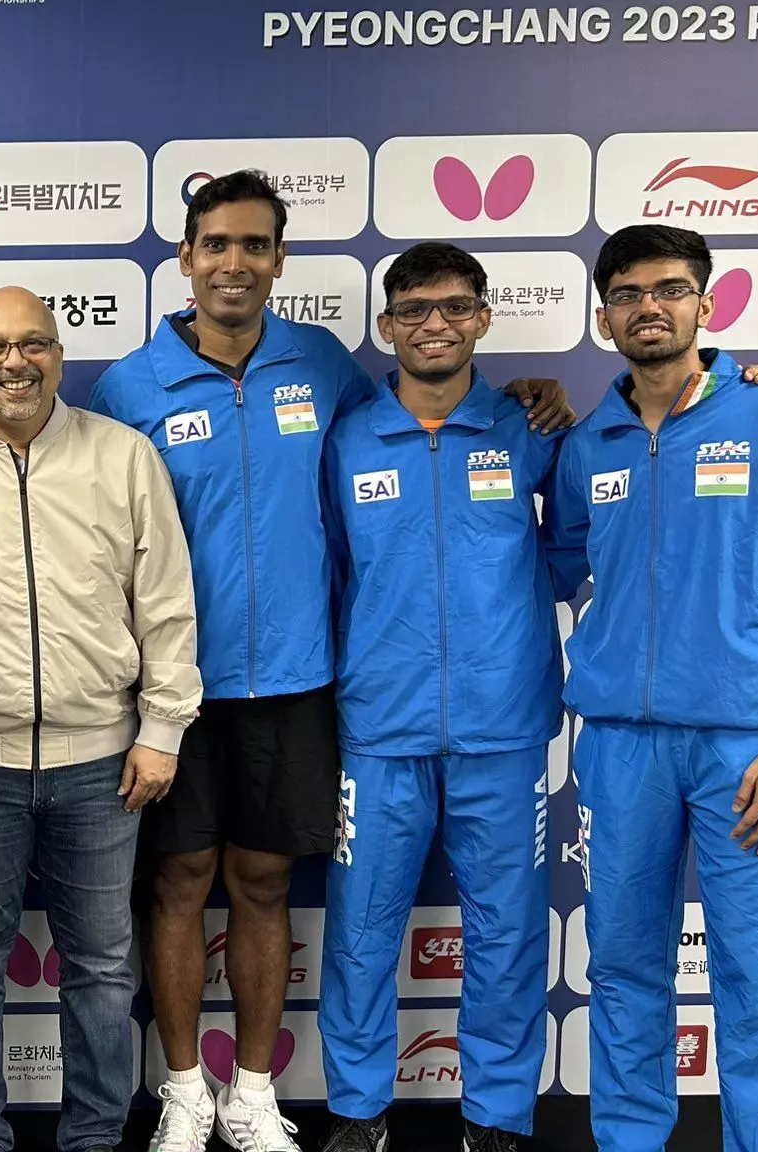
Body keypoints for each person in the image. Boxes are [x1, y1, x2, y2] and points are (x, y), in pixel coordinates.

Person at [89, 172, 574, 1152]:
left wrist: (533, 398)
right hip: (174, 688)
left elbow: (425, 432)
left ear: (279, 259)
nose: (233, 261)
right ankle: (186, 1090)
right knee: (179, 882)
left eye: (254, 244)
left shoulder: (325, 371)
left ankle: (258, 1094)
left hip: (302, 684)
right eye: (214, 244)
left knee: (265, 884)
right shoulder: (126, 386)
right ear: (184, 258)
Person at [545, 225, 758, 1152]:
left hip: (747, 747)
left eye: (671, 289)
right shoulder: (586, 443)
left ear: (705, 306)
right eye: (630, 293)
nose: (651, 306)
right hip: (620, 748)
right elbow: (562, 562)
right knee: (627, 972)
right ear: (605, 317)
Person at [0, 287, 201, 1152]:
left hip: (102, 761)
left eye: (34, 343)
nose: (15, 362)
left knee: (106, 969)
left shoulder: (122, 455)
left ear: (60, 357)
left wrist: (162, 730)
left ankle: (94, 1137)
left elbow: (167, 602)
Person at [316, 243, 563, 1152]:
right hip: (379, 731)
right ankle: (357, 1107)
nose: (434, 325)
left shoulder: (530, 430)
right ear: (386, 326)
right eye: (414, 309)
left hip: (505, 730)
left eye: (455, 308)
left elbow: (571, 551)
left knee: (505, 931)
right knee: (361, 928)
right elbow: (328, 573)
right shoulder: (347, 439)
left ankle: (495, 1111)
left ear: (483, 318)